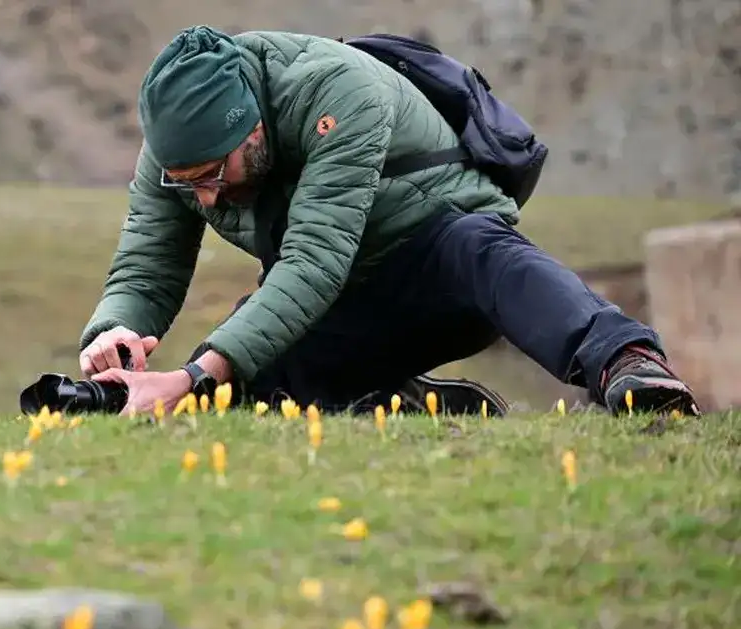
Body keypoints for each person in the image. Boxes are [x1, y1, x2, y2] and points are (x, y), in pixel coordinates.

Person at [74, 25, 701, 418]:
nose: (206, 200)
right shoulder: (177, 152)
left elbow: (313, 263)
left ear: (253, 126)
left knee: (480, 247)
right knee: (245, 388)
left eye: (215, 175)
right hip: (344, 296)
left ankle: (627, 361)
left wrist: (187, 375)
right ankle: (407, 404)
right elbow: (147, 263)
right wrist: (115, 332)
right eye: (189, 184)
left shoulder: (336, 92)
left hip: (443, 274)